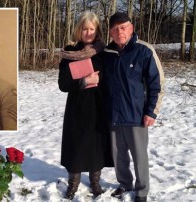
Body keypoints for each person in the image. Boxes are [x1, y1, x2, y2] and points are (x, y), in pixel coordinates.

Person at [101, 12, 165, 202]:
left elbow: (157, 84)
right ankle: (125, 183)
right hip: (113, 115)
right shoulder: (106, 54)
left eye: (123, 27)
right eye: (115, 28)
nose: (119, 31)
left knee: (139, 156)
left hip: (136, 115)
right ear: (110, 33)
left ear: (131, 28)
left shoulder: (144, 50)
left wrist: (151, 111)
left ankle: (142, 191)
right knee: (118, 154)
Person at [58, 11, 113, 200]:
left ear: (97, 30)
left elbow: (111, 79)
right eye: (84, 28)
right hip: (77, 107)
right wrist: (83, 80)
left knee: (96, 145)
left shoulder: (103, 52)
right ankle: (73, 184)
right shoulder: (70, 52)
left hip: (98, 106)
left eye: (92, 29)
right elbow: (62, 84)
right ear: (79, 30)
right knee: (76, 145)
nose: (88, 32)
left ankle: (95, 182)